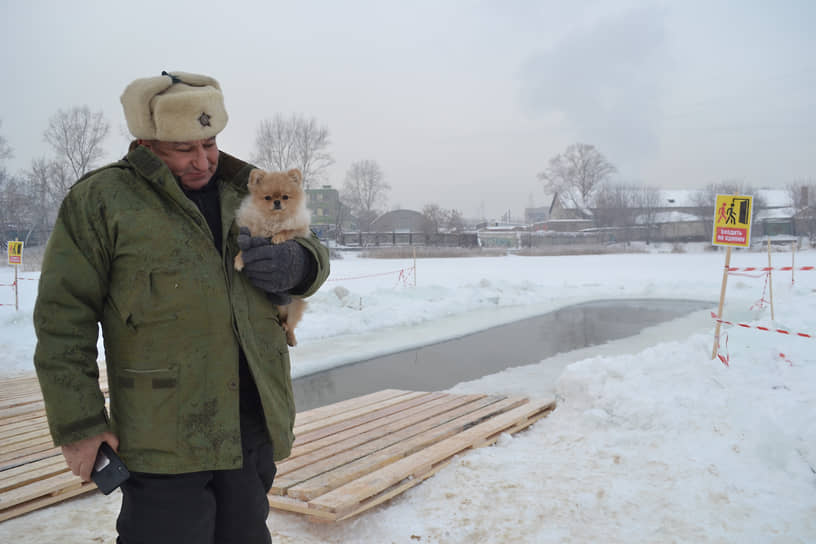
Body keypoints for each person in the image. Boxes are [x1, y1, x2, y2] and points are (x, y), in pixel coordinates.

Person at [33, 71, 330, 543]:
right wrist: (79, 424)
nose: (203, 160)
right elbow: (61, 320)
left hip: (249, 422)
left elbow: (315, 251)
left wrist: (298, 263)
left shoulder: (247, 186)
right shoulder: (102, 201)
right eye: (183, 149)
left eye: (210, 143)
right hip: (164, 434)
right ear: (147, 142)